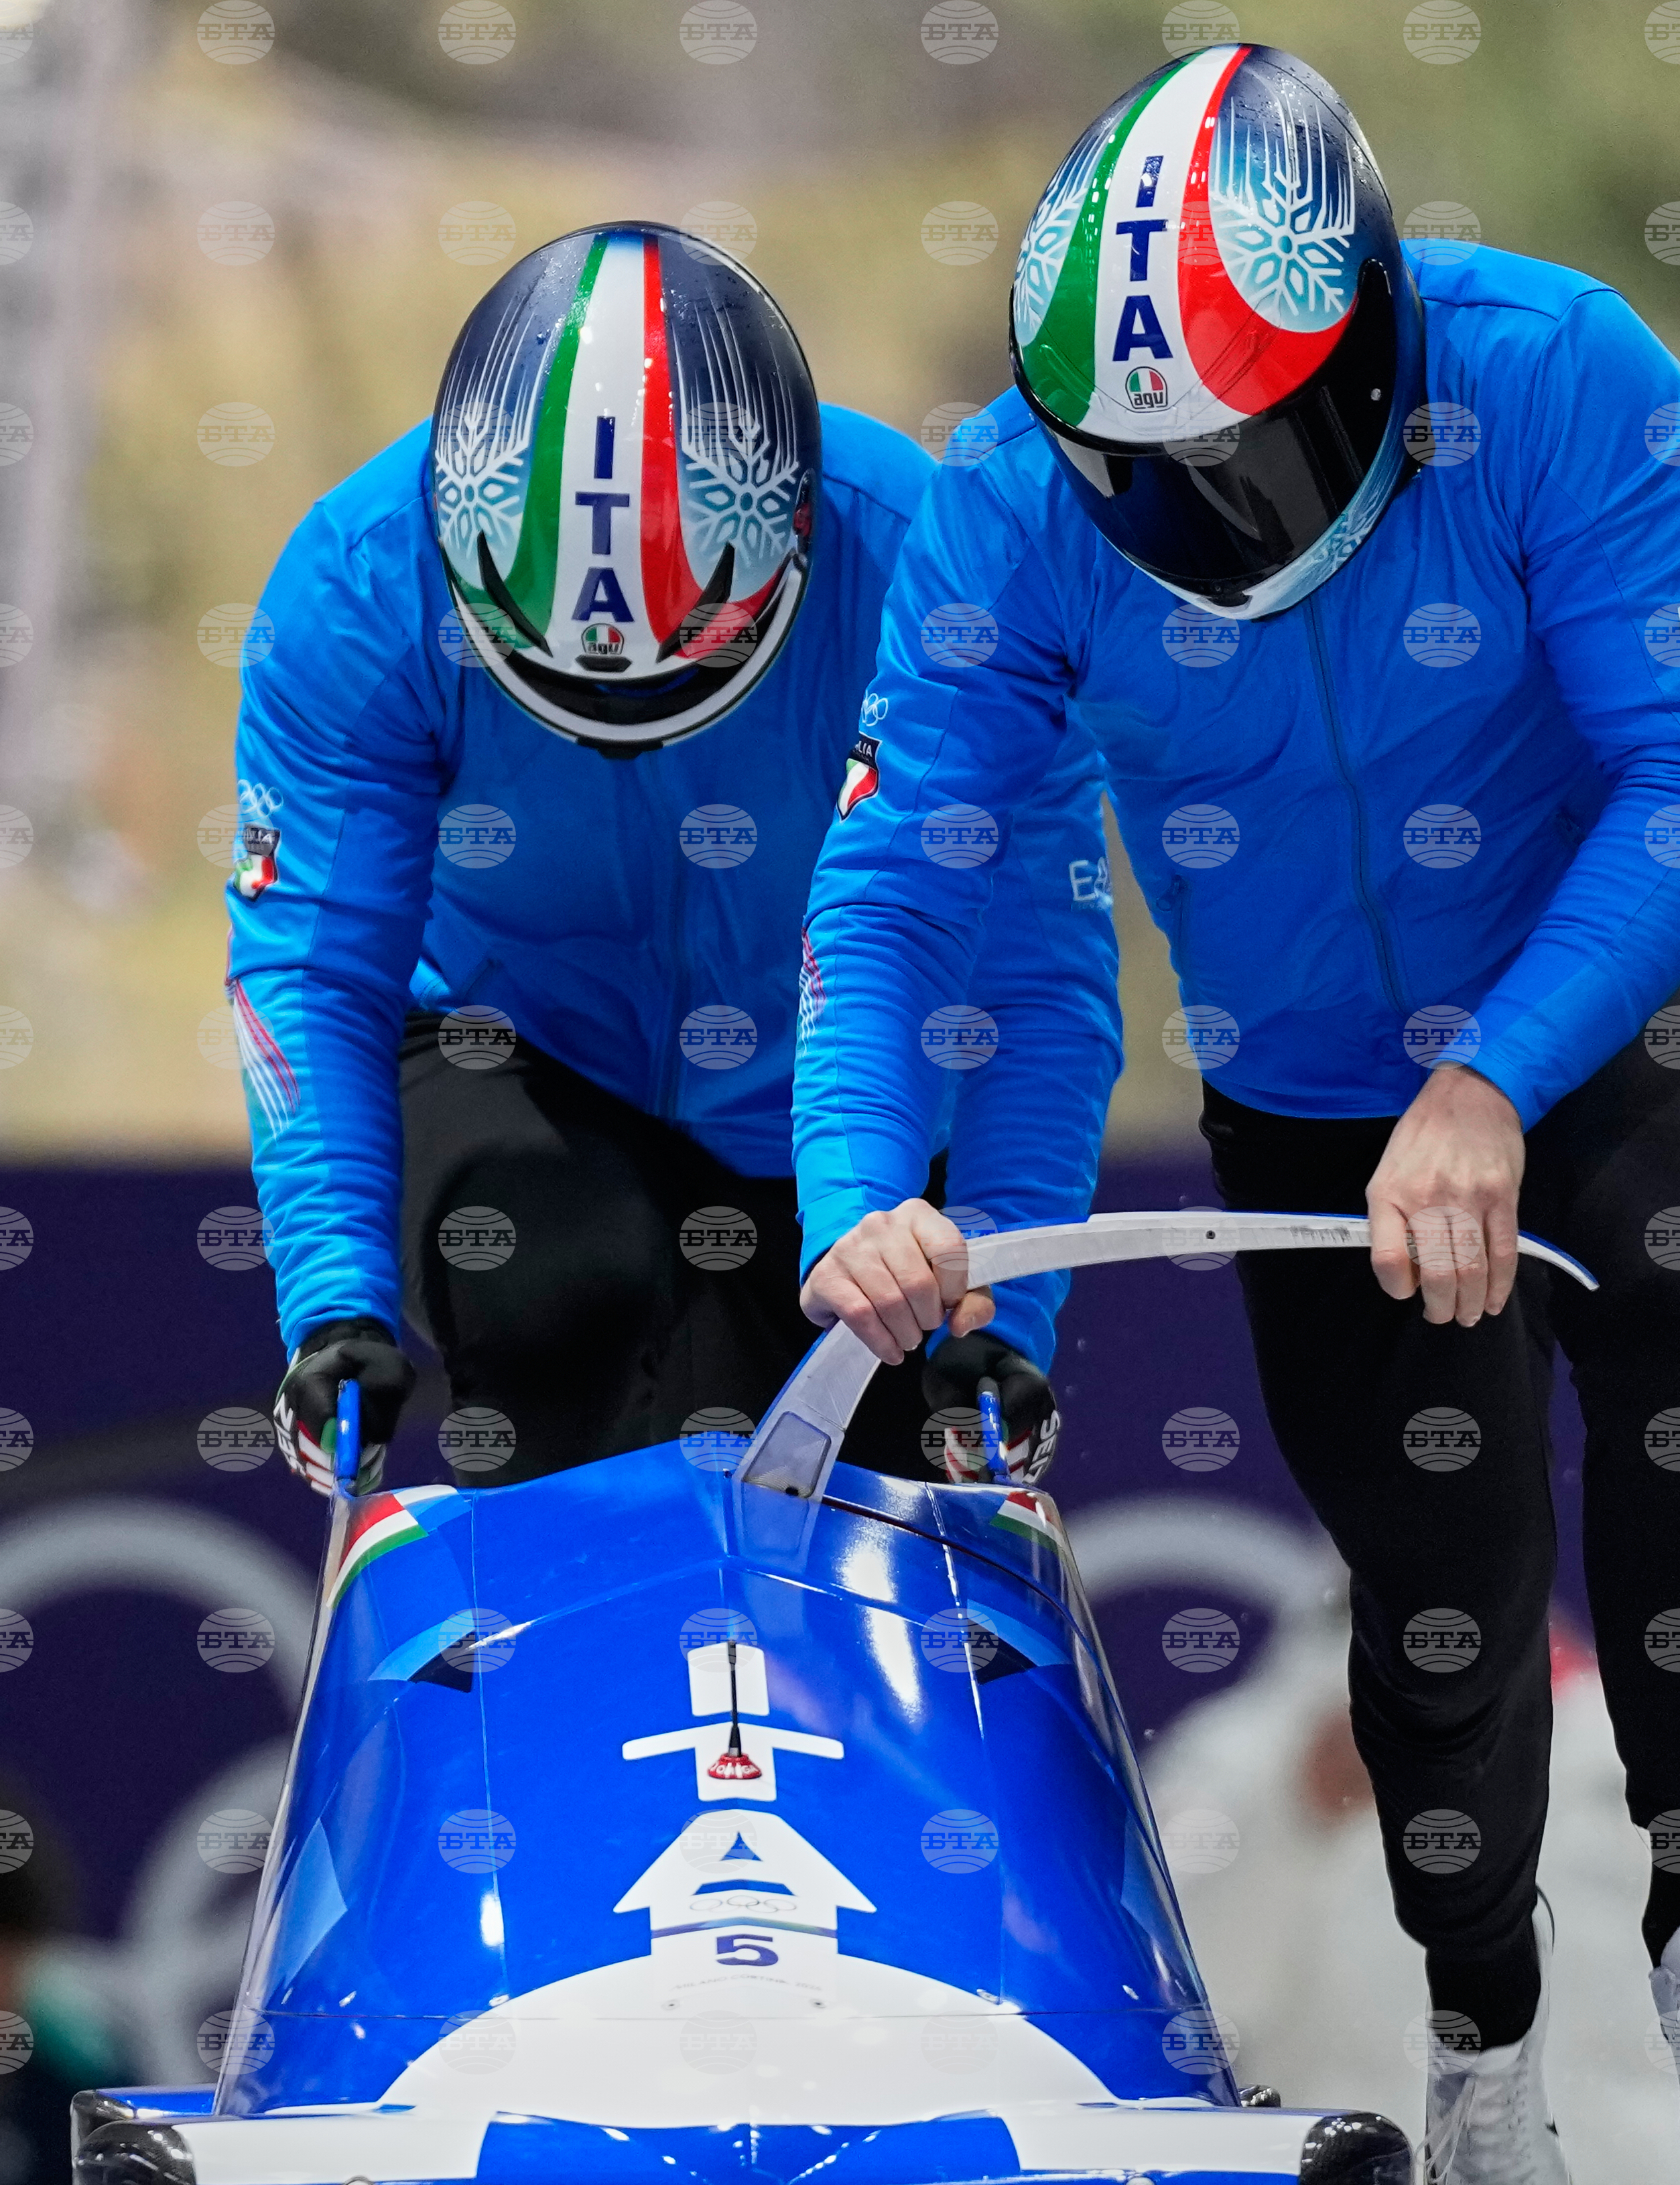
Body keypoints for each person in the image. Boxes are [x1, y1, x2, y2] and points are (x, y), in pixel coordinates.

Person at [793, 45, 1680, 2185]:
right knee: (1434, 1558)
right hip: (1303, 1078)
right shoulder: (1002, 511)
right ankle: (1480, 2016)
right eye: (1148, 475)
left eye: (1257, 451)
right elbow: (891, 893)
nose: (1216, 512)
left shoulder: (1563, 368)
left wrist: (1490, 1080)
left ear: (1366, 342)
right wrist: (860, 1191)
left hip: (1615, 967)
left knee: (1661, 1273)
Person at [225, 222, 1117, 1508]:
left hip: (840, 1085)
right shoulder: (358, 586)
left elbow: (1035, 981)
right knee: (572, 1277)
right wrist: (333, 1303)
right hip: (515, 1047)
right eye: (565, 695)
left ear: (794, 547)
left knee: (846, 1413)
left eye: (684, 685)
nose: (624, 738)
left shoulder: (945, 568)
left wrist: (1002, 1314)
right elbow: (314, 967)